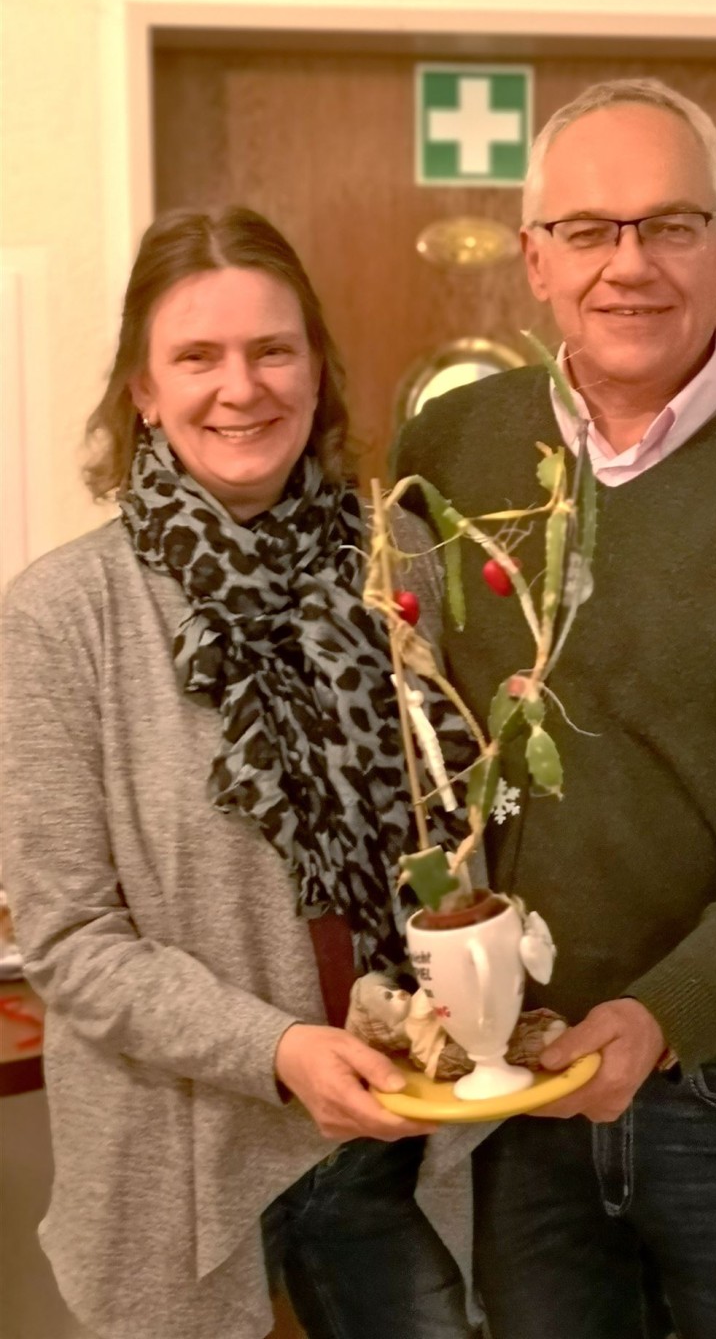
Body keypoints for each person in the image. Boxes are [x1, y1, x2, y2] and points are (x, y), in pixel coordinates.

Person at [394, 78, 716, 1339]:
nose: (627, 263)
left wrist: (667, 1015)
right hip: (517, 1089)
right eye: (587, 228)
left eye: (671, 225)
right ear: (535, 259)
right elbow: (410, 734)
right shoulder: (447, 451)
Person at [0, 207, 476, 1339]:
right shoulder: (61, 616)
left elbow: (472, 816)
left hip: (402, 1131)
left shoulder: (404, 561)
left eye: (272, 349)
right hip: (183, 1150)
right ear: (143, 390)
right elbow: (69, 936)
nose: (241, 387)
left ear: (316, 371)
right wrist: (274, 1050)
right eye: (196, 356)